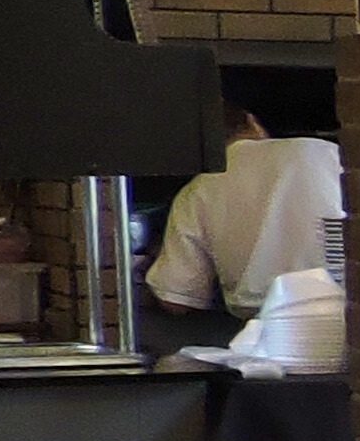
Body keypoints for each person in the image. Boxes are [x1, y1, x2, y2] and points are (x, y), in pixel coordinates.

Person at [144, 108, 343, 321]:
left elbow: (176, 299)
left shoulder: (198, 188)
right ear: (252, 122)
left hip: (262, 322)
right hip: (347, 306)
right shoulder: (323, 151)